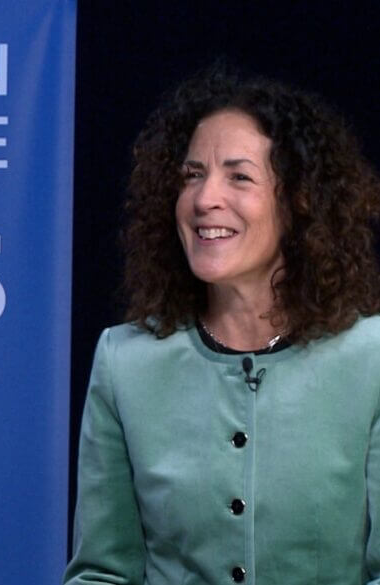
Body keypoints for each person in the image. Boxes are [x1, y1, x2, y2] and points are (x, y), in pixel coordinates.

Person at [63, 67, 380, 585]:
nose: (204, 198)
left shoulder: (371, 358)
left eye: (239, 177)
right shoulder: (125, 362)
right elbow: (102, 573)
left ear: (299, 200)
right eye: (192, 175)